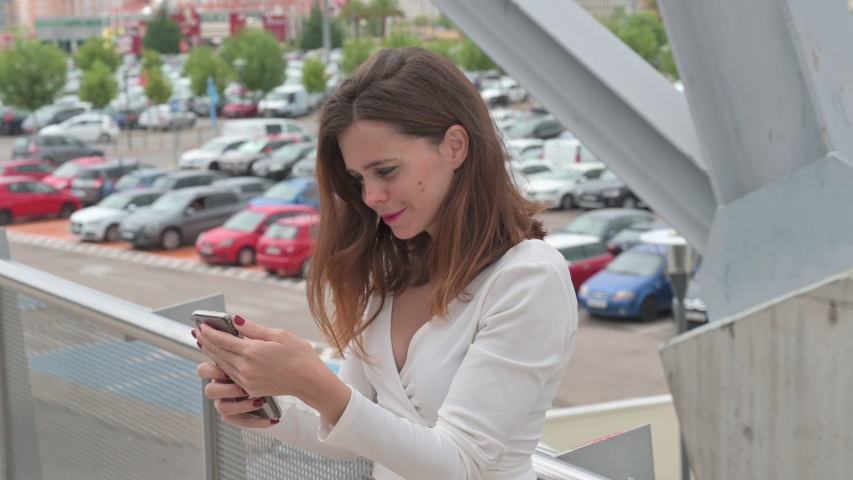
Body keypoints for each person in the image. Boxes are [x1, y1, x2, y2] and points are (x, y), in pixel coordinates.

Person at [194, 47, 578, 480]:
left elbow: (460, 464)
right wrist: (268, 400)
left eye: (388, 170)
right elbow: (354, 432)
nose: (370, 196)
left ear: (455, 146)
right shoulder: (393, 269)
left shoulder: (529, 277)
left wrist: (312, 381)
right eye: (359, 179)